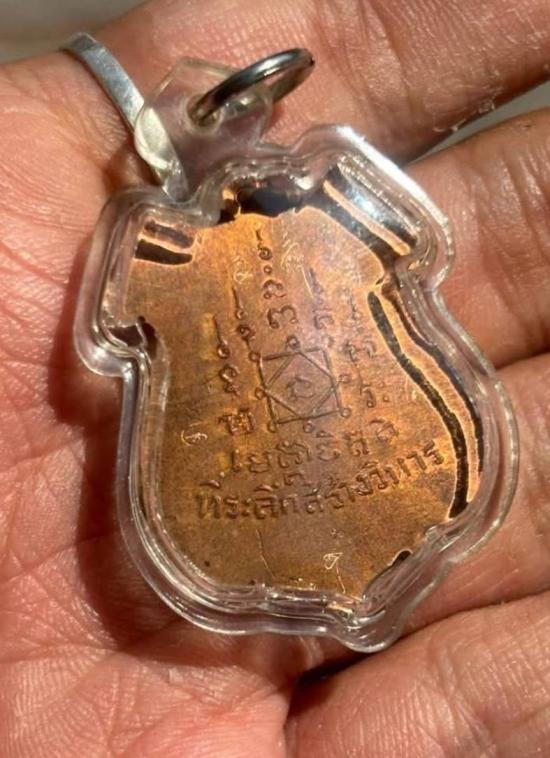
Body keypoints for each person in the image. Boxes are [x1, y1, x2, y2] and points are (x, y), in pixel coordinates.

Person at [1, 0, 549, 755]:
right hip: (220, 514)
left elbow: (414, 251)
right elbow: (122, 332)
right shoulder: (165, 247)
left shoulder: (329, 209)